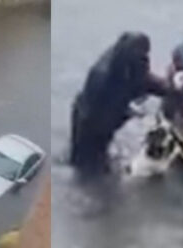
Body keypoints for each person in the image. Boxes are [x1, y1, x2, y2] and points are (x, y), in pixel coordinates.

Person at [68, 31, 170, 175]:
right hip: (89, 122)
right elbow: (104, 115)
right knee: (89, 167)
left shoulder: (130, 61)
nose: (145, 59)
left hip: (101, 114)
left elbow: (143, 81)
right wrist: (127, 113)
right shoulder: (103, 75)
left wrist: (169, 89)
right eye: (143, 56)